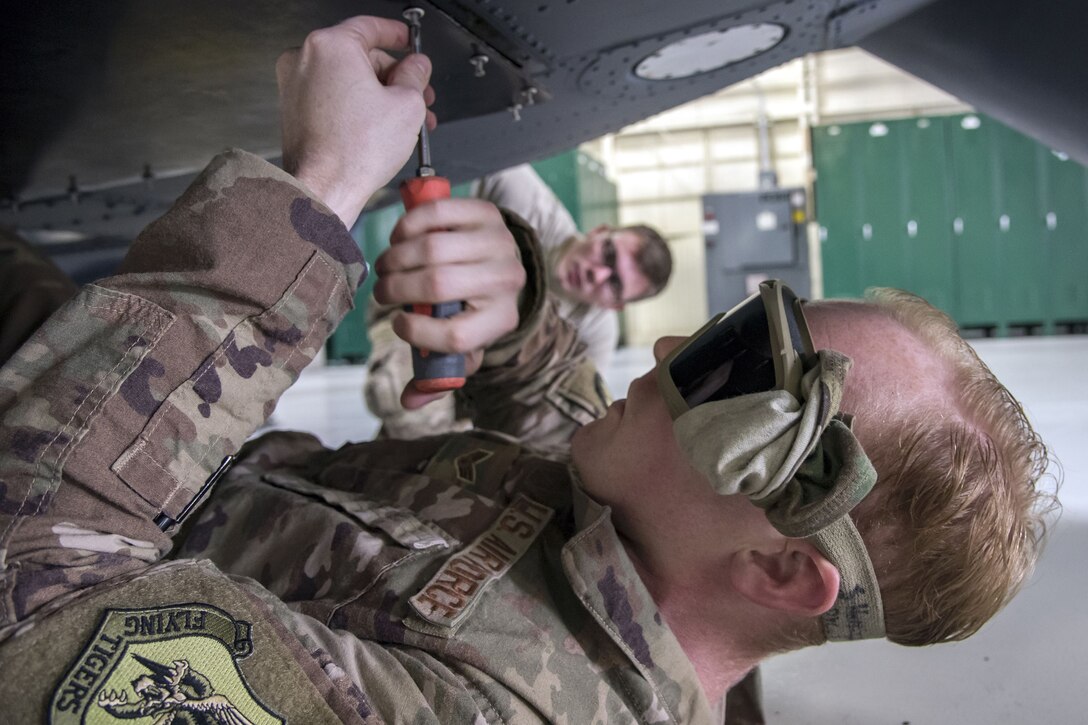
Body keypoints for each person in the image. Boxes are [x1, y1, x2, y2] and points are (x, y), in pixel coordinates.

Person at [0, 15, 1053, 725]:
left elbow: (31, 605)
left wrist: (312, 198)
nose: (668, 351)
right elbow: (554, 400)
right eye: (730, 329)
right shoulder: (635, 533)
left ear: (779, 571)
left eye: (736, 376)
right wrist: (512, 297)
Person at [363, 163, 672, 438]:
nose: (598, 274)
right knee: (401, 400)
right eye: (608, 253)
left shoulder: (598, 332)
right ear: (600, 230)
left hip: (493, 381)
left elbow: (569, 412)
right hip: (424, 308)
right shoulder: (524, 198)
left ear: (616, 307)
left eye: (615, 284)